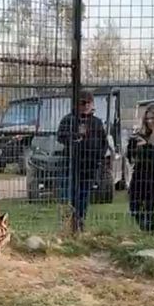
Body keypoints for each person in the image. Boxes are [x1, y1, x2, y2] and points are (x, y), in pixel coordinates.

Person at [56, 90, 107, 233]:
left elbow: (103, 143)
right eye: (82, 102)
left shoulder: (96, 122)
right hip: (71, 166)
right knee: (70, 197)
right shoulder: (69, 119)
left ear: (92, 104)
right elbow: (60, 137)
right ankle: (69, 225)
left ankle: (80, 223)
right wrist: (74, 137)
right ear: (77, 104)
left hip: (89, 168)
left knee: (83, 198)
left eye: (88, 103)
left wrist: (99, 159)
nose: (85, 105)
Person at [127, 103, 154, 234]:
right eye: (147, 118)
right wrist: (132, 145)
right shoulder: (140, 134)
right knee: (134, 206)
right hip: (139, 175)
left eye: (153, 118)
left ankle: (149, 234)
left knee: (149, 207)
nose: (149, 122)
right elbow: (131, 157)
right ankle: (144, 229)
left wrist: (145, 146)